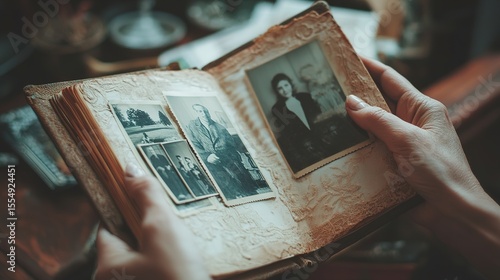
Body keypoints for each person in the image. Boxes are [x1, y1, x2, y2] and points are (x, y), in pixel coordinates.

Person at [95, 57, 500, 280]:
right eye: (282, 90)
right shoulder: (262, 114)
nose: (286, 92)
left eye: (290, 87)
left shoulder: (305, 100)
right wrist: (461, 204)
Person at [187, 103, 258, 199]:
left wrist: (231, 156)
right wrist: (207, 156)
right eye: (200, 111)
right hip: (208, 159)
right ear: (196, 113)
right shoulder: (192, 126)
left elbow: (231, 144)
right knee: (222, 180)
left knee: (239, 173)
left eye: (205, 111)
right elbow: (193, 144)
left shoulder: (220, 127)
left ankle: (248, 192)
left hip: (226, 156)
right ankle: (234, 195)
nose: (204, 114)